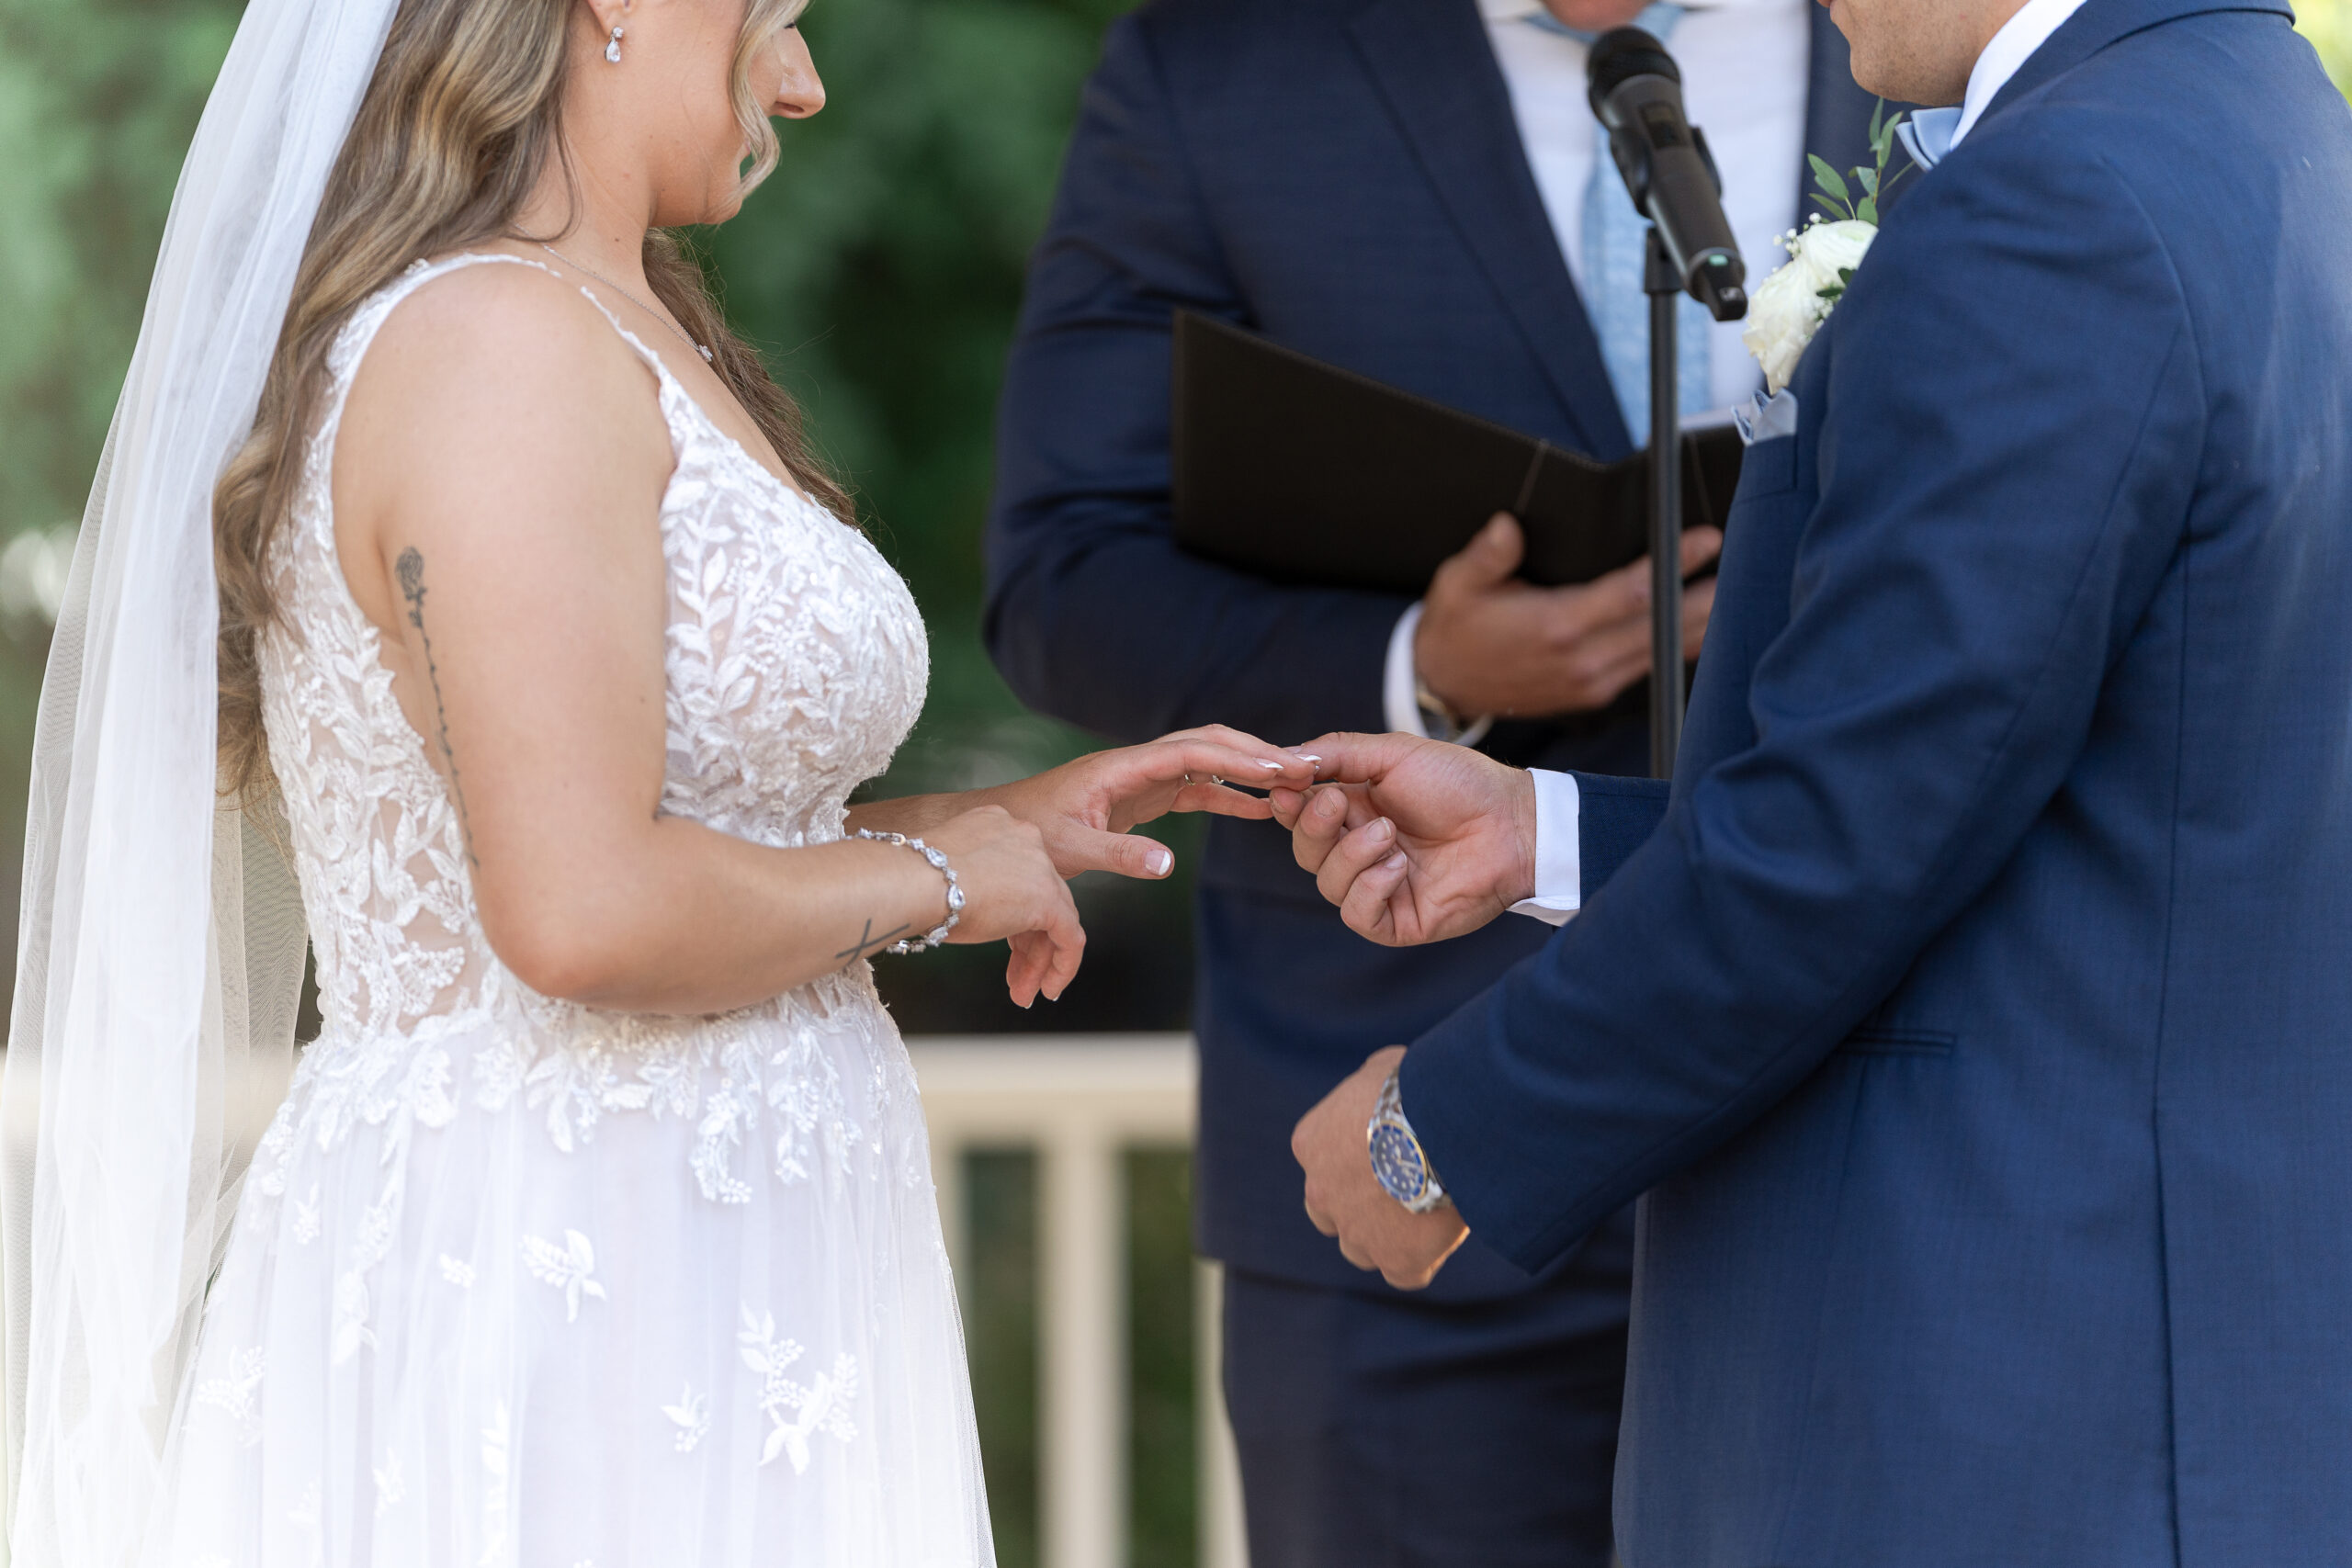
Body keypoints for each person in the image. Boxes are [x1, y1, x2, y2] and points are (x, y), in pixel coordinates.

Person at [0, 0, 1318, 1562]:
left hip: (706, 1260)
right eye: (778, 17)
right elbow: (583, 909)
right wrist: (943, 888)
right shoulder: (494, 344)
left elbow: (666, 826)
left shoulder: (609, 327)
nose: (804, 83)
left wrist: (982, 827)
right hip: (562, 1277)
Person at [1274, 0, 2352, 1555]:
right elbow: (2061, 800)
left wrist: (1440, 1137)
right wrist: (1547, 833)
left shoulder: (2062, 202)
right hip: (2173, 1359)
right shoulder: (2274, 132)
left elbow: (1845, 838)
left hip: (2003, 1386)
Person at [984, 0, 1894, 1560]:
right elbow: (1060, 578)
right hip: (1385, 1145)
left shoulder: (1913, 42)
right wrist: (1428, 667)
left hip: (1863, 1150)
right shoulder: (1223, 65)